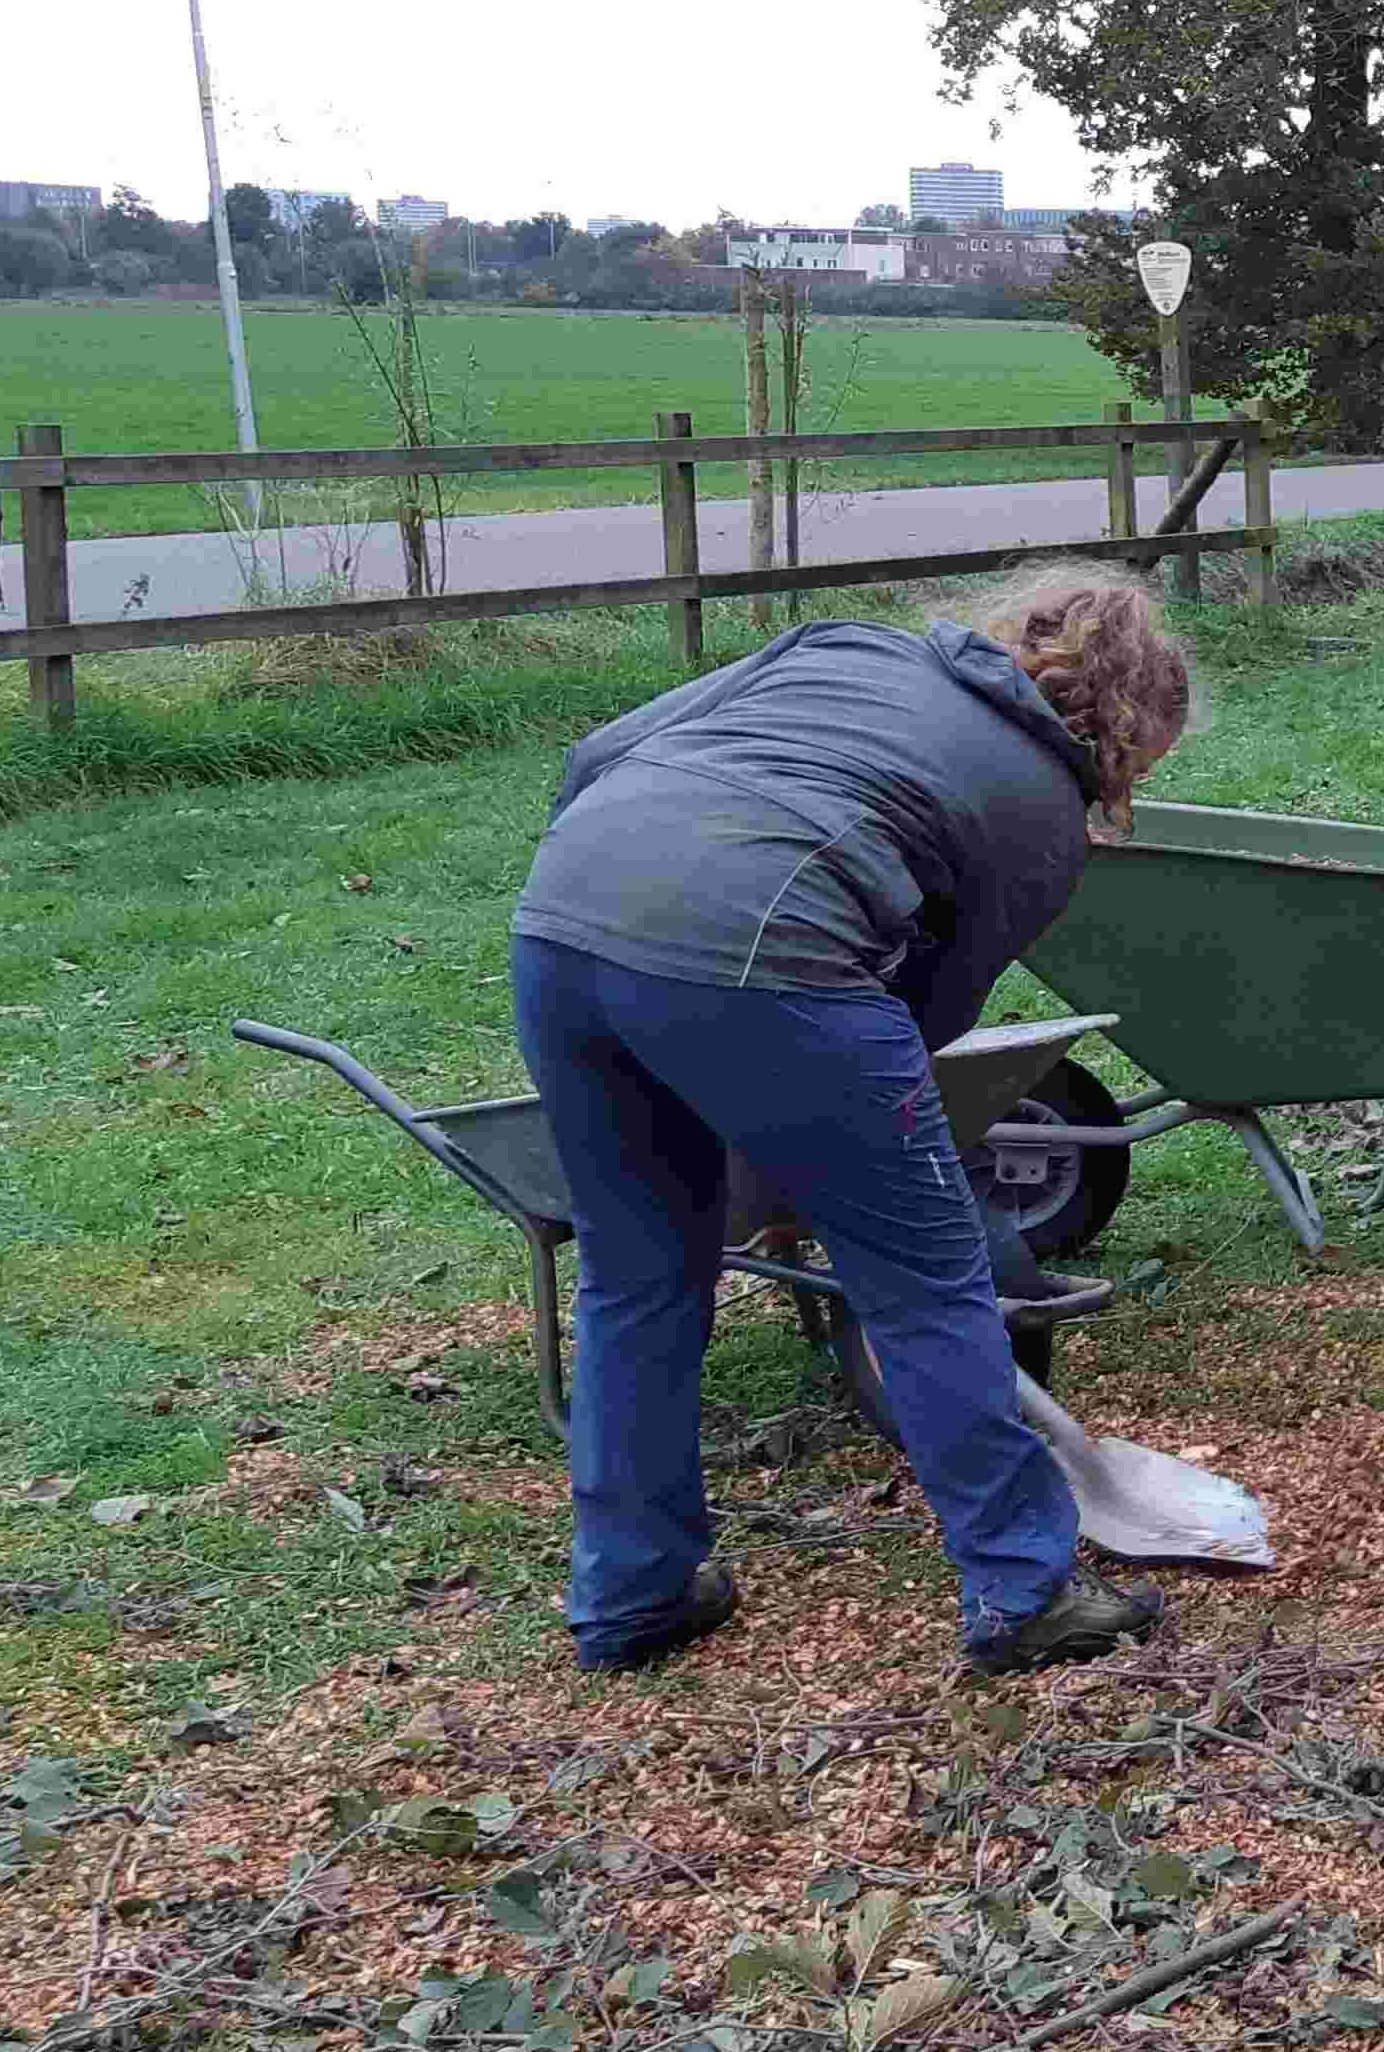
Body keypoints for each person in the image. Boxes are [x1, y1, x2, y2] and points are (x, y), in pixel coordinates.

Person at [508, 565, 1201, 1674]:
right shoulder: (1040, 808)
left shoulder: (845, 646)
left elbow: (595, 757)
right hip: (770, 953)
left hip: (561, 926)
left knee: (636, 1275)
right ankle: (1023, 1590)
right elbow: (931, 1009)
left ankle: (630, 1594)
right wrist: (818, 1139)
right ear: (1122, 731)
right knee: (924, 1275)